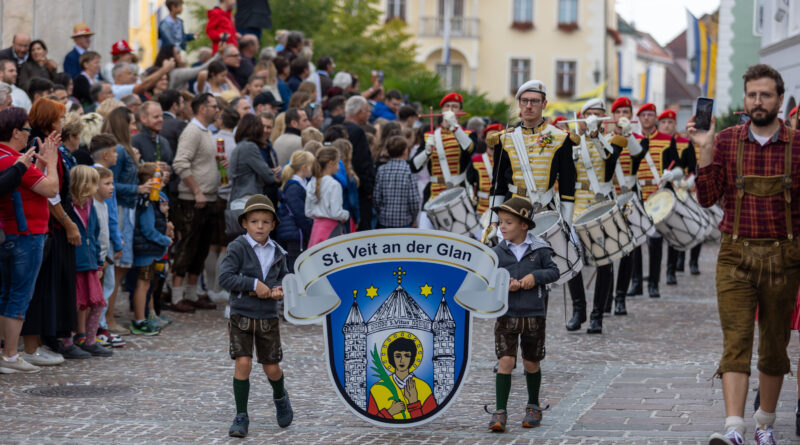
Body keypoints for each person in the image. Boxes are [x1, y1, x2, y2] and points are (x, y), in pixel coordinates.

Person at [691, 64, 800, 445]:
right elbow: (707, 198)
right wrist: (704, 151)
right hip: (735, 257)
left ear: (779, 100)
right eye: (752, 94)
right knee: (736, 342)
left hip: (785, 258)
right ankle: (734, 428)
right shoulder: (724, 141)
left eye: (765, 95)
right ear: (745, 99)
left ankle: (764, 425)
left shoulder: (798, 145)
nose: (758, 101)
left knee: (773, 346)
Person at [218, 194, 293, 437]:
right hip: (241, 314)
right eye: (254, 221)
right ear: (244, 223)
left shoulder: (278, 251)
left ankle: (280, 396)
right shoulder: (237, 247)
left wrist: (280, 289)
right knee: (243, 363)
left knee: (271, 367)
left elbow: (284, 278)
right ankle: (241, 415)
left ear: (273, 224)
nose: (259, 226)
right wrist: (253, 284)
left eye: (265, 222)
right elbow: (225, 278)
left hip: (267, 317)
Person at [487, 196, 559, 432]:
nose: (502, 227)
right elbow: (487, 277)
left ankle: (533, 405)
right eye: (500, 222)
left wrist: (535, 277)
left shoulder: (540, 249)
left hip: (534, 314)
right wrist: (503, 283)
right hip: (506, 314)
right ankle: (500, 411)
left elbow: (554, 272)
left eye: (508, 222)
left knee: (531, 362)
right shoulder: (497, 252)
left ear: (524, 225)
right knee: (505, 360)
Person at [0, 107, 60, 374]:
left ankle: (5, 354)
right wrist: (52, 162)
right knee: (19, 296)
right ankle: (11, 355)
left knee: (6, 293)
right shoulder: (13, 160)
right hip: (26, 235)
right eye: (26, 130)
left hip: (9, 234)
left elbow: (28, 186)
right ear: (15, 132)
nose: (28, 135)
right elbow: (50, 188)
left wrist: (40, 165)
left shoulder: (4, 157)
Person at [564, 99, 626, 334]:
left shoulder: (613, 140)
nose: (593, 117)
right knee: (572, 258)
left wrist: (595, 136)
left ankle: (597, 315)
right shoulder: (572, 142)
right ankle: (578, 310)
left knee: (604, 261)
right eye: (590, 114)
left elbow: (610, 164)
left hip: (602, 204)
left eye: (598, 114)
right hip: (577, 205)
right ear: (582, 116)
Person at [170, 93, 221, 311]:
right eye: (214, 106)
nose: (217, 110)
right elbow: (180, 163)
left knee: (201, 249)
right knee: (188, 248)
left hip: (208, 198)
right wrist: (196, 190)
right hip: (193, 200)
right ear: (202, 109)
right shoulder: (192, 131)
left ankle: (191, 293)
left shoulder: (206, 131)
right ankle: (176, 296)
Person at [59, 165, 112, 357]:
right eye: (94, 183)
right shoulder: (68, 207)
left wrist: (98, 261)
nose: (96, 187)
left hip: (89, 263)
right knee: (73, 303)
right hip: (74, 263)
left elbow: (94, 235)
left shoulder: (90, 205)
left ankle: (90, 341)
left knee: (98, 303)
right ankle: (66, 342)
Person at [634, 103, 683, 299]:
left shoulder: (667, 140)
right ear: (639, 118)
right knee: (636, 242)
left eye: (650, 115)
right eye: (643, 115)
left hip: (658, 196)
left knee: (655, 242)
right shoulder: (632, 139)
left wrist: (672, 174)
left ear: (655, 118)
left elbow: (679, 167)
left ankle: (654, 283)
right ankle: (636, 282)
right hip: (637, 194)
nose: (647, 118)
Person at [608, 97, 647, 306]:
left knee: (628, 250)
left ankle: (621, 297)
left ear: (631, 116)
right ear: (613, 116)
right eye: (618, 112)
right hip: (609, 196)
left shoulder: (639, 140)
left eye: (626, 112)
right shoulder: (604, 139)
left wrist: (628, 134)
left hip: (629, 197)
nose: (622, 115)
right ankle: (606, 299)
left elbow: (637, 155)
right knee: (607, 249)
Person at [658, 109, 702, 277]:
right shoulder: (651, 141)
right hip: (656, 191)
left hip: (680, 190)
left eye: (670, 122)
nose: (666, 126)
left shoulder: (684, 143)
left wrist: (686, 183)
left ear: (675, 124)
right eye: (663, 122)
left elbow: (692, 169)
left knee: (677, 229)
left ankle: (674, 268)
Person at [131, 163, 173, 335]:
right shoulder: (147, 201)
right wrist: (165, 240)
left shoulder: (151, 199)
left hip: (149, 249)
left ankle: (145, 317)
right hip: (146, 249)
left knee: (147, 283)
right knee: (143, 284)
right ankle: (139, 320)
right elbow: (147, 229)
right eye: (158, 179)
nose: (161, 182)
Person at [410, 92, 474, 206]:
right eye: (447, 106)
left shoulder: (468, 134)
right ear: (442, 110)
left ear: (460, 111)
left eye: (454, 107)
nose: (450, 110)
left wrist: (455, 126)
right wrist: (426, 152)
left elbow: (469, 150)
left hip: (458, 191)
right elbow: (413, 167)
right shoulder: (429, 135)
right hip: (433, 193)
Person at [92, 165, 125, 348]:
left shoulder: (104, 204)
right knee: (97, 296)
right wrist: (99, 259)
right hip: (98, 259)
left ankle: (100, 327)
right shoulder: (93, 206)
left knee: (106, 291)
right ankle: (96, 330)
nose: (112, 187)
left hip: (105, 255)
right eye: (107, 183)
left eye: (112, 183)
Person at [276, 150, 314, 272]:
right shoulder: (294, 187)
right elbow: (299, 214)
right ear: (304, 167)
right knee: (295, 268)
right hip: (296, 235)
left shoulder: (300, 184)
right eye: (312, 165)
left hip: (297, 233)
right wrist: (309, 230)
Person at [373, 135, 420, 228]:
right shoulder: (409, 171)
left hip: (384, 219)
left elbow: (376, 198)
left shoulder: (382, 170)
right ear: (405, 151)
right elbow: (414, 200)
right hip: (404, 220)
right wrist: (414, 218)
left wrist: (381, 212)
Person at [342, 96, 375, 231]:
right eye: (367, 111)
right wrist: (369, 190)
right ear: (359, 112)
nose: (369, 114)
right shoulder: (358, 132)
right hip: (359, 192)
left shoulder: (338, 127)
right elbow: (362, 163)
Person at [305, 147, 348, 246]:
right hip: (331, 229)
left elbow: (308, 212)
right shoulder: (334, 185)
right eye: (337, 163)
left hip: (316, 229)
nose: (339, 167)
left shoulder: (311, 183)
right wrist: (346, 214)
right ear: (330, 163)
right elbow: (336, 213)